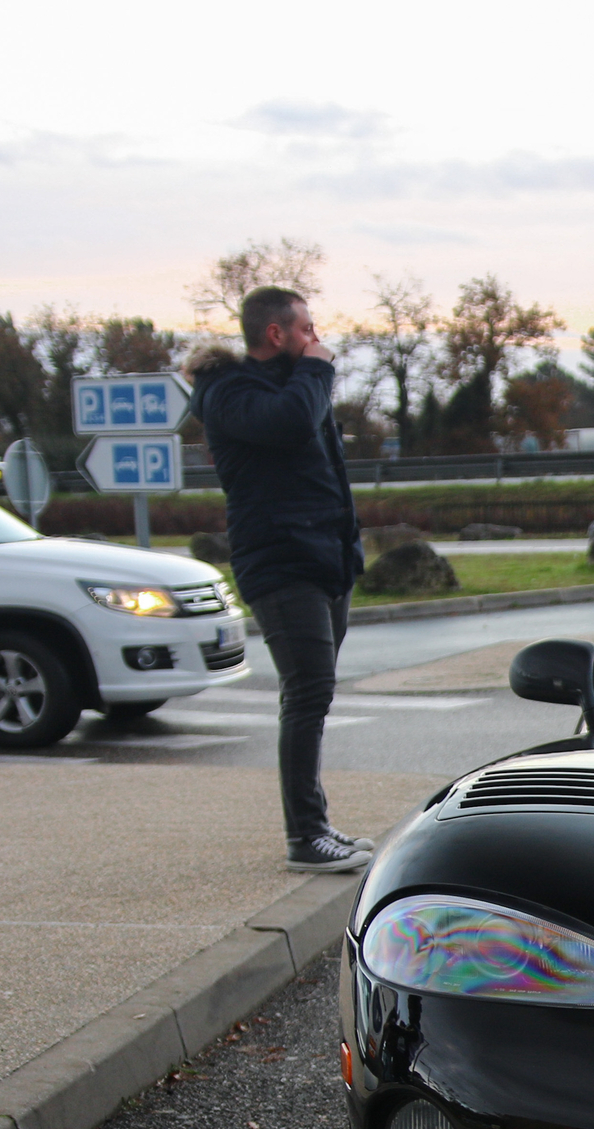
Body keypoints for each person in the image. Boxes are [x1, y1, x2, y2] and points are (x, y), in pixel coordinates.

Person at [187, 286, 372, 873]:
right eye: (307, 329)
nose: (316, 340)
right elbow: (290, 425)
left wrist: (350, 549)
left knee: (316, 693)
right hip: (279, 560)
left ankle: (315, 825)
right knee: (308, 693)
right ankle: (305, 836)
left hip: (325, 560)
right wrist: (317, 371)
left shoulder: (298, 386)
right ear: (277, 334)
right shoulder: (227, 391)